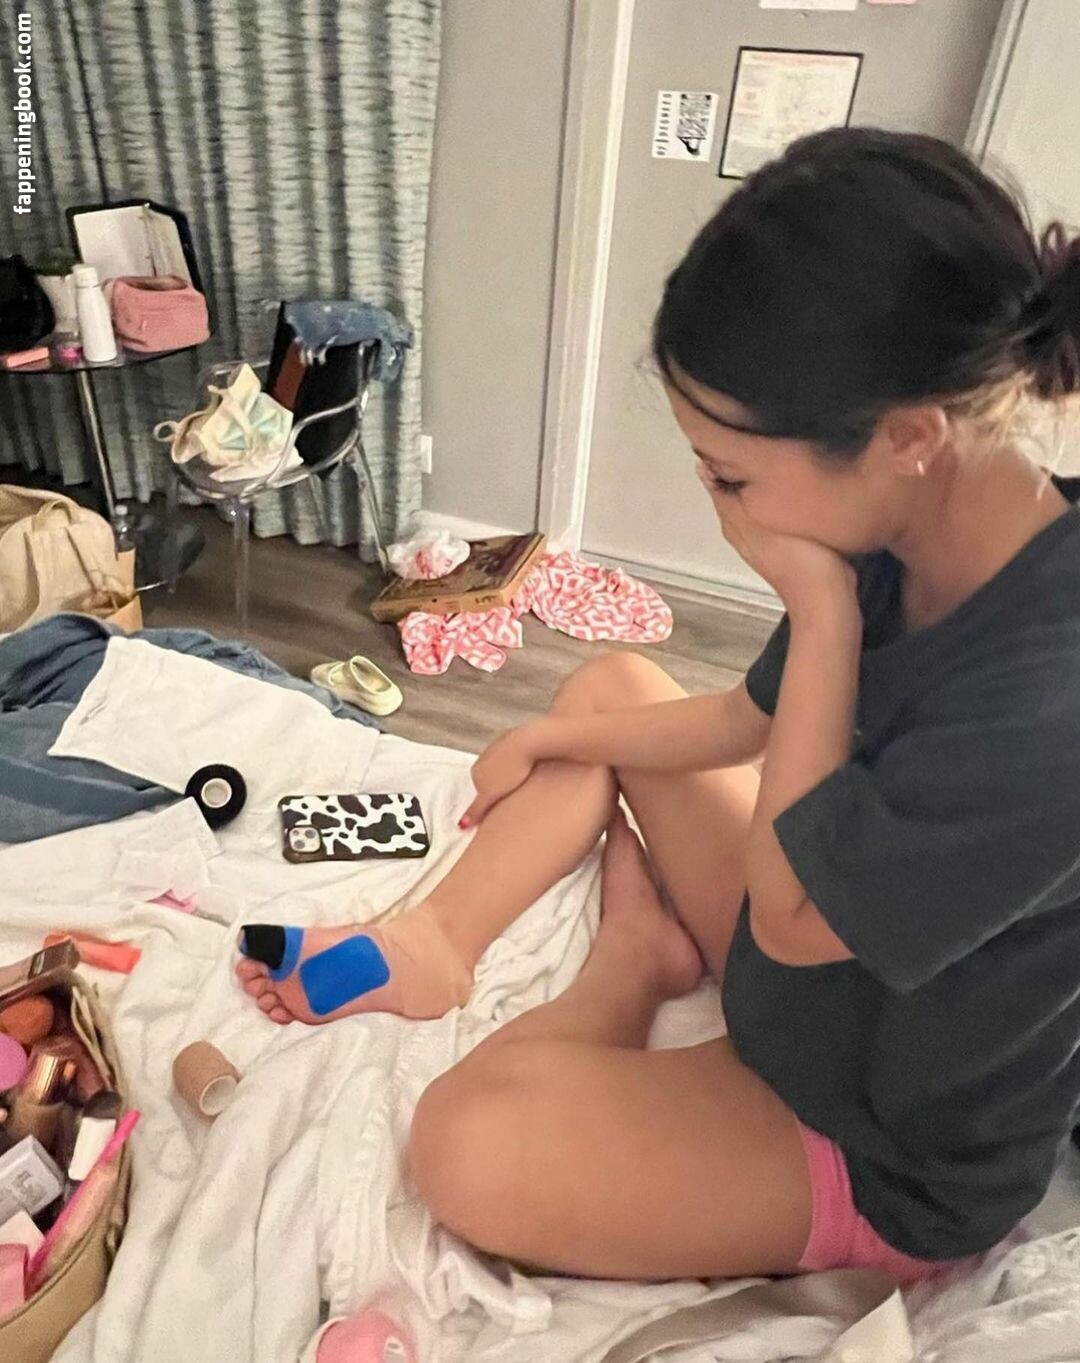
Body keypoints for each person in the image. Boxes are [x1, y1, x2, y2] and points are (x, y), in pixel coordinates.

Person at [236, 129, 1080, 1284]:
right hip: (809, 965)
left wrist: (823, 614)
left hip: (880, 1136)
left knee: (464, 1147)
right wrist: (547, 732)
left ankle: (631, 964)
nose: (717, 503)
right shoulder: (920, 520)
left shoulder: (1045, 700)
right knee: (610, 690)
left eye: (730, 475)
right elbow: (745, 722)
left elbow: (791, 915)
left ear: (908, 439)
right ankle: (433, 942)